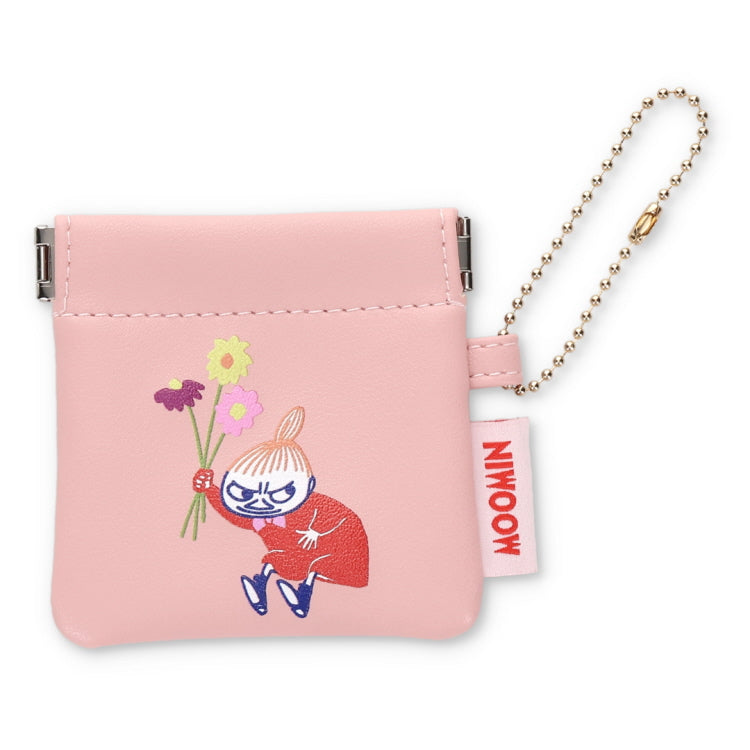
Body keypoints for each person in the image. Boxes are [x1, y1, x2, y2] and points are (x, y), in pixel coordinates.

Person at [193, 406, 369, 618]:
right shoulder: (259, 517)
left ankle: (302, 594)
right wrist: (210, 489)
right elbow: (234, 515)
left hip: (327, 549)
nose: (260, 502)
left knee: (313, 567)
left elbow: (345, 519)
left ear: (308, 485)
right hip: (293, 553)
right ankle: (261, 586)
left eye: (279, 493)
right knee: (275, 562)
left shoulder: (310, 505)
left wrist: (316, 531)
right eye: (245, 493)